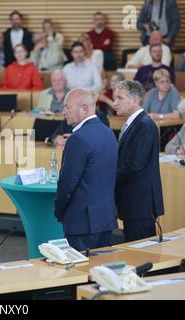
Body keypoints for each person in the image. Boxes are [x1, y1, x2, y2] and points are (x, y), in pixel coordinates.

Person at [54, 89, 118, 251]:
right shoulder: (109, 133)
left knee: (80, 273)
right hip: (106, 220)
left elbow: (67, 183)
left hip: (81, 223)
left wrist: (59, 212)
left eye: (67, 107)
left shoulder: (78, 139)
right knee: (101, 273)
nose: (63, 112)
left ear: (84, 108)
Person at [114, 80, 164, 242]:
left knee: (142, 254)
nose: (115, 103)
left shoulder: (144, 125)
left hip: (140, 205)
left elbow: (133, 164)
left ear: (135, 100)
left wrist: (107, 175)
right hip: (133, 203)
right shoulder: (135, 123)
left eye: (120, 98)